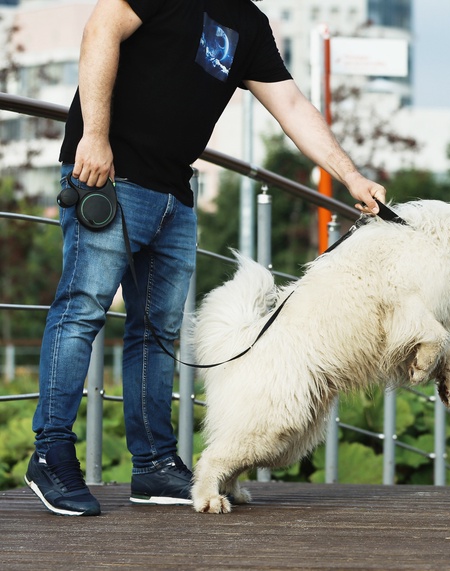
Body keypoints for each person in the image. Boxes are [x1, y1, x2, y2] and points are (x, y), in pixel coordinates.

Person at [25, 0, 386, 517]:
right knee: (81, 311)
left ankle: (153, 464)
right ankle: (51, 454)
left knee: (157, 332)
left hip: (174, 192)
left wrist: (352, 177)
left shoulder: (250, 23)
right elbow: (100, 29)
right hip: (109, 174)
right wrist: (95, 136)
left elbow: (292, 106)